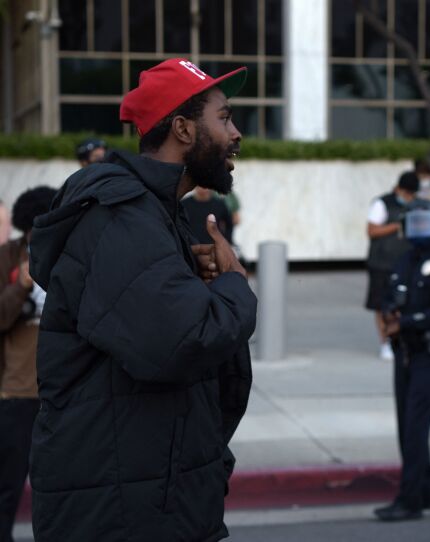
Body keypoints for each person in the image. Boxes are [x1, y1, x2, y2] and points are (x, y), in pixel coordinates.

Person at [27, 58, 257, 541]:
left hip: (150, 498)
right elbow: (184, 340)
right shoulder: (121, 217)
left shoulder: (154, 214)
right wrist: (233, 283)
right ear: (182, 129)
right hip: (123, 515)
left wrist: (196, 282)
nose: (236, 133)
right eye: (224, 117)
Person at [374, 199, 430, 522]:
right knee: (407, 425)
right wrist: (389, 313)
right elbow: (388, 295)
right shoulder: (404, 259)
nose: (420, 228)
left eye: (426, 221)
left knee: (414, 426)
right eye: (415, 221)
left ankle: (410, 501)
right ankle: (429, 489)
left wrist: (406, 322)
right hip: (405, 351)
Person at [0, 186, 56, 542]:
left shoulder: (68, 255)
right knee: (7, 489)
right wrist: (20, 284)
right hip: (16, 391)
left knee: (56, 493)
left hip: (60, 392)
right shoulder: (8, 255)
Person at [366, 171, 420, 360]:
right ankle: (385, 343)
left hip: (407, 261)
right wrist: (396, 225)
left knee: (407, 302)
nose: (409, 197)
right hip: (382, 262)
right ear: (398, 188)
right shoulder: (382, 203)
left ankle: (404, 339)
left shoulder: (417, 205)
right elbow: (371, 230)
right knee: (381, 305)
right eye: (406, 193)